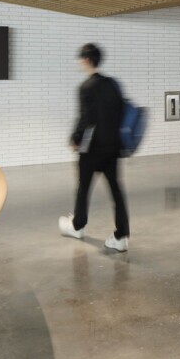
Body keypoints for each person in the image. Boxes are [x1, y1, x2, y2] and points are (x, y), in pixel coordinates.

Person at [58, 43, 130, 252]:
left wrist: (75, 138)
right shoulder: (114, 84)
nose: (79, 62)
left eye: (81, 58)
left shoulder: (86, 87)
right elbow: (122, 112)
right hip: (113, 147)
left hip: (92, 149)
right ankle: (122, 236)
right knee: (116, 191)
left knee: (83, 187)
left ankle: (78, 225)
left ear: (87, 60)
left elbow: (85, 120)